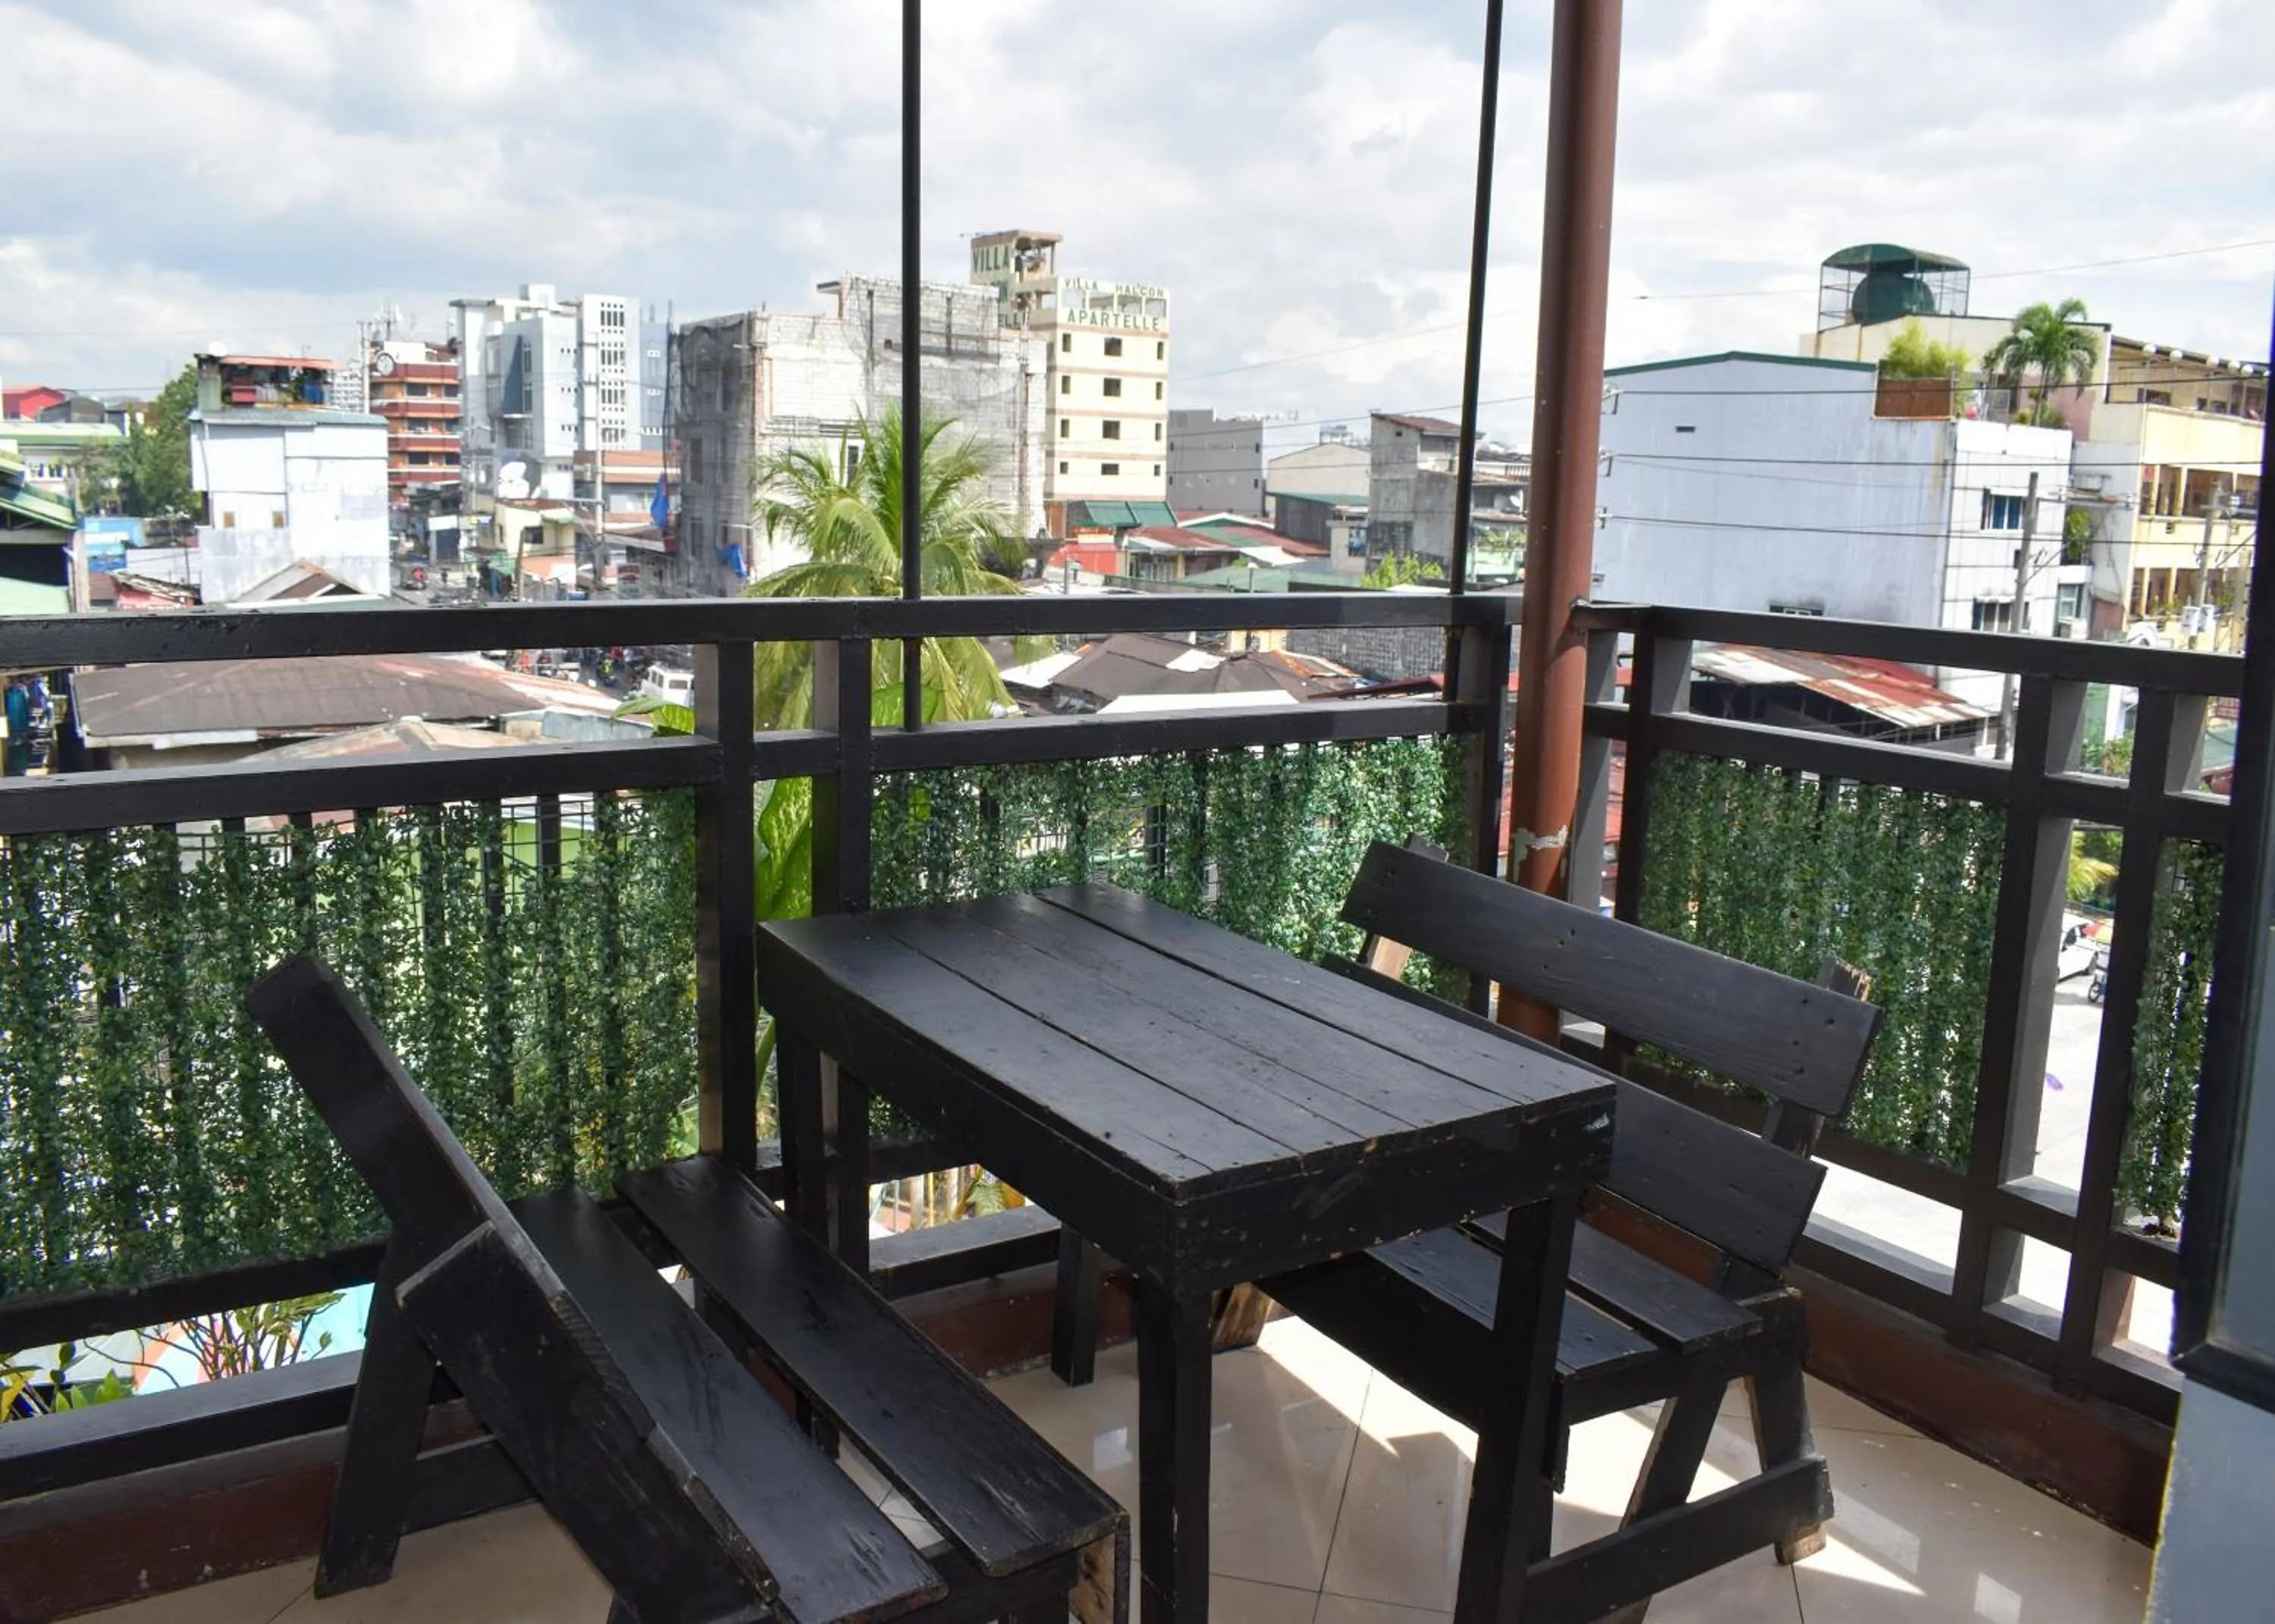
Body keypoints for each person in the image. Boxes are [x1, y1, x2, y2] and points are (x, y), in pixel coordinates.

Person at [3, 678, 31, 777]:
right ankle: (18, 768)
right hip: (15, 724)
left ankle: (19, 768)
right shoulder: (10, 693)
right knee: (16, 747)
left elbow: (26, 707)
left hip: (17, 724)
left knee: (18, 746)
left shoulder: (15, 692)